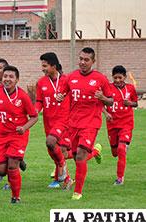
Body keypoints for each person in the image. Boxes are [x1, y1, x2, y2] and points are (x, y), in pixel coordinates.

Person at [61, 47, 113, 200]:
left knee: (81, 155)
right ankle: (96, 151)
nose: (82, 62)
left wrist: (102, 97)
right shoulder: (71, 77)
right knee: (72, 154)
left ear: (93, 61)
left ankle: (77, 192)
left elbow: (111, 100)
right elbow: (63, 93)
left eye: (86, 60)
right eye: (81, 59)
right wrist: (59, 96)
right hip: (73, 122)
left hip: (91, 122)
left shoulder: (100, 78)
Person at [0, 65, 38, 204]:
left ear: (17, 80)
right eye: (5, 76)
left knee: (12, 166)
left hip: (18, 136)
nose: (7, 79)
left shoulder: (22, 96)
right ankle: (17, 159)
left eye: (11, 77)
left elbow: (34, 116)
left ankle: (15, 197)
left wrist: (24, 127)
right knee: (1, 171)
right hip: (0, 136)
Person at [35, 52, 72, 189]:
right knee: (54, 150)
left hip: (64, 120)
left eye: (45, 66)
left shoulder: (67, 80)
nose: (42, 68)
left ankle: (60, 172)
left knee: (53, 143)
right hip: (48, 121)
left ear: (54, 66)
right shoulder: (41, 82)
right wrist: (35, 111)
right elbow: (39, 102)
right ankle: (66, 178)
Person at [103, 65, 138, 185]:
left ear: (125, 77)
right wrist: (106, 112)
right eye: (115, 78)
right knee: (114, 153)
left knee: (121, 149)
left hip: (126, 124)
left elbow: (135, 104)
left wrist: (130, 103)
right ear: (112, 77)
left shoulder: (130, 88)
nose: (117, 80)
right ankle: (97, 151)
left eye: (120, 78)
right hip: (112, 124)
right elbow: (100, 103)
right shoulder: (107, 88)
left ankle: (120, 178)